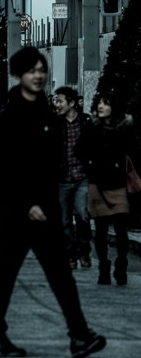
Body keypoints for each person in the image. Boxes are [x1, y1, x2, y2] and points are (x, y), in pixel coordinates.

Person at [0, 47, 105, 358]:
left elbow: (52, 168)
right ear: (18, 75)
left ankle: (80, 335)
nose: (38, 75)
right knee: (6, 274)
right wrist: (25, 204)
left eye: (41, 70)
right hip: (16, 214)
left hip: (46, 212)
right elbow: (1, 170)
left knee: (62, 276)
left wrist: (49, 205)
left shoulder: (50, 118)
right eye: (32, 70)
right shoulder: (6, 119)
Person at [75, 91, 139, 286]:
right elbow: (80, 150)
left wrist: (122, 163)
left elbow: (135, 151)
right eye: (99, 103)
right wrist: (91, 164)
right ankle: (103, 267)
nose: (101, 106)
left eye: (106, 103)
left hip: (119, 183)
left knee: (120, 228)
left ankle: (121, 264)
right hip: (98, 183)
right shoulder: (91, 126)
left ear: (114, 106)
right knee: (101, 229)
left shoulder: (125, 127)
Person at [54, 86, 91, 270]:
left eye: (60, 101)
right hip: (62, 178)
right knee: (64, 220)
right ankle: (70, 254)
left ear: (71, 103)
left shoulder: (86, 122)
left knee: (82, 214)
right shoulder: (56, 124)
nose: (57, 104)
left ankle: (84, 250)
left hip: (82, 176)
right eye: (56, 100)